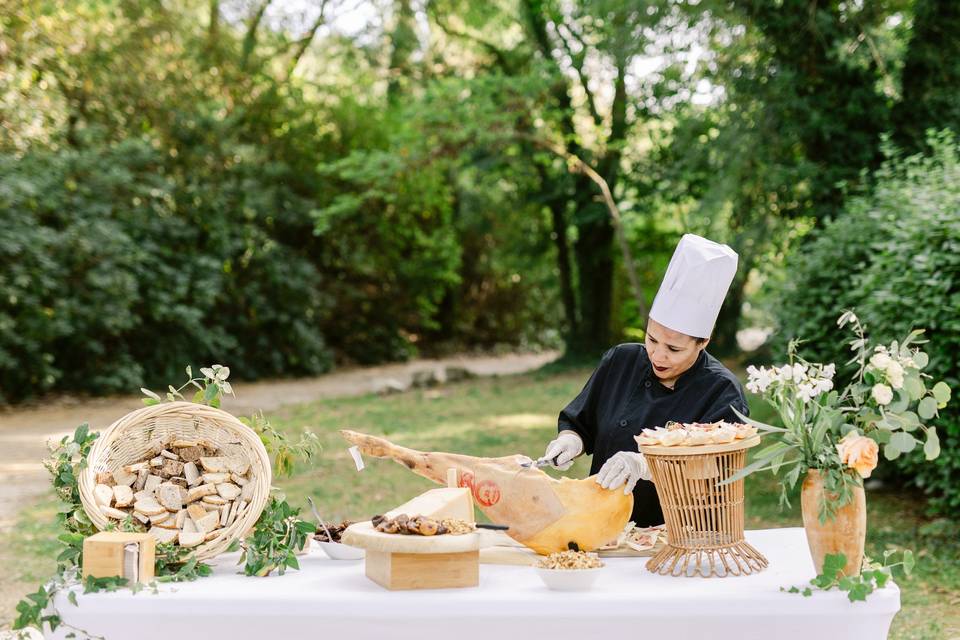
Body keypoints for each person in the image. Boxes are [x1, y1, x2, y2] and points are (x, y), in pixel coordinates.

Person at [538, 234, 749, 527]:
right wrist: (569, 441)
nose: (658, 355)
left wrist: (645, 464)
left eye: (674, 348)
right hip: (601, 525)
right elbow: (580, 421)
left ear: (703, 342)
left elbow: (716, 468)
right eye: (652, 339)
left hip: (678, 534)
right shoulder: (620, 361)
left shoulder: (722, 392)